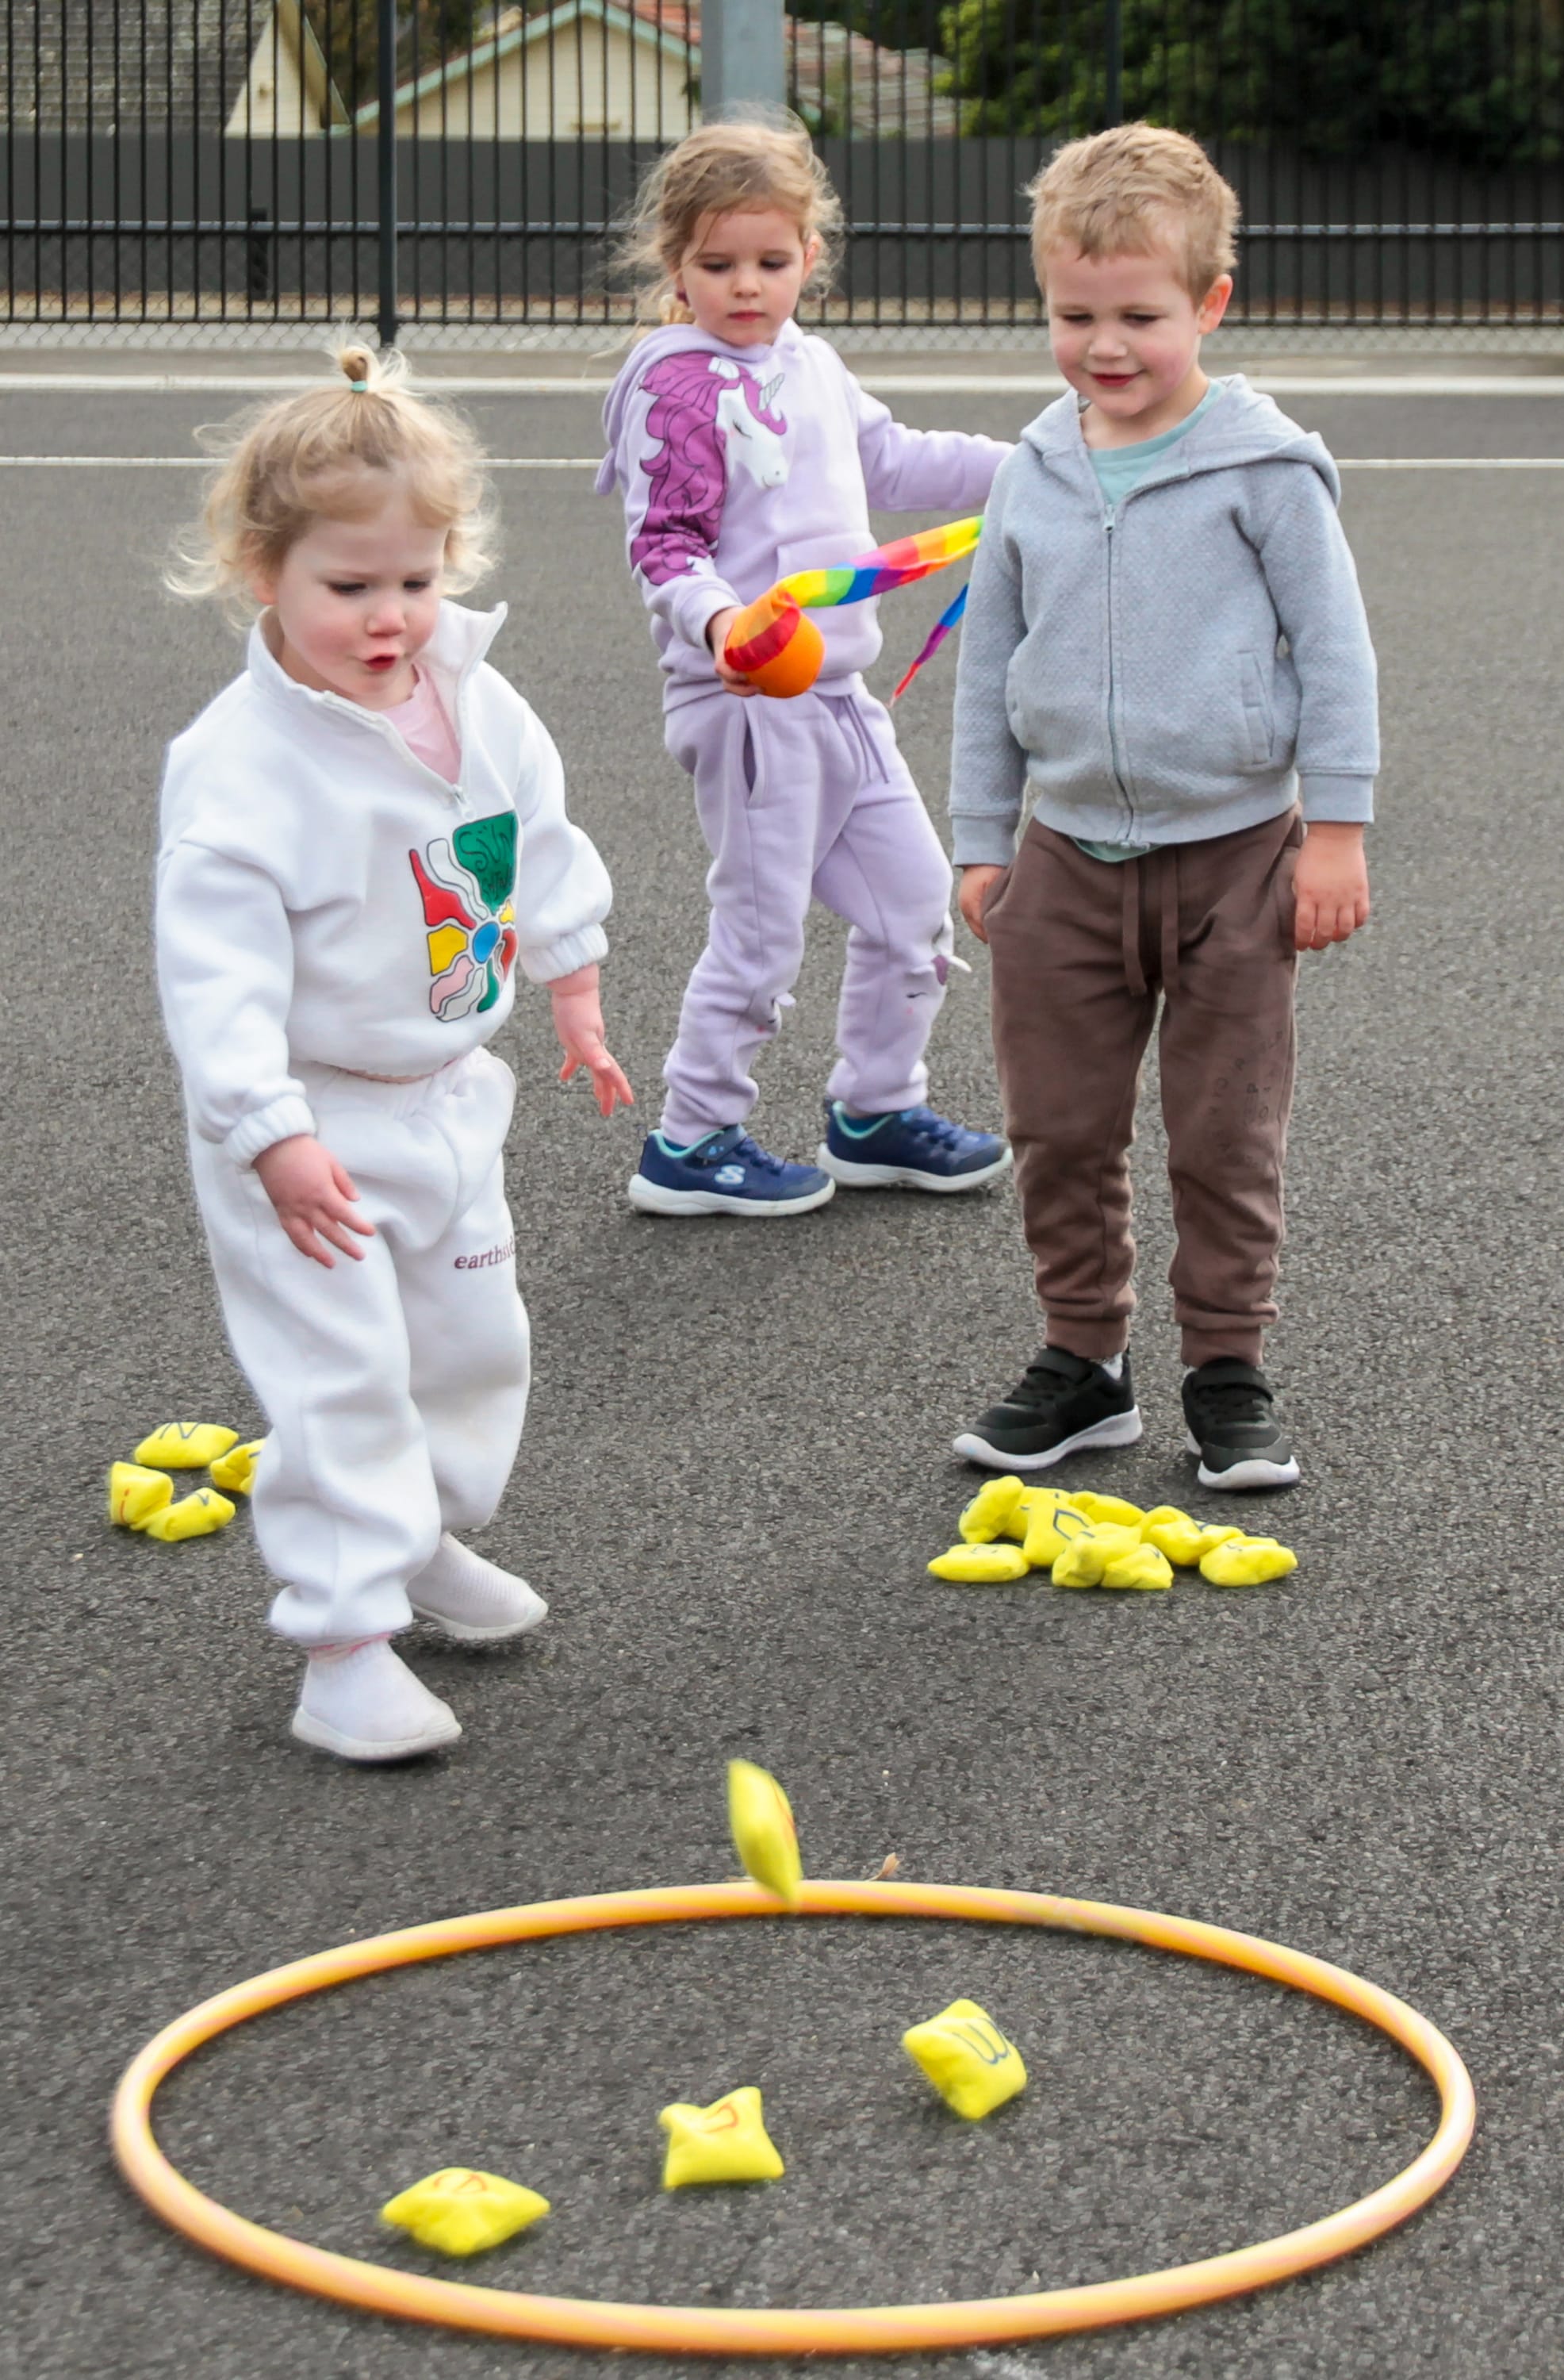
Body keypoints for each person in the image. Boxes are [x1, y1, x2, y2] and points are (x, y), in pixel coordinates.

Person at [159, 347, 630, 1761]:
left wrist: (575, 984)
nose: (388, 618)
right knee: (341, 1372)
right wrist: (268, 1131)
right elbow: (216, 969)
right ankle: (342, 1641)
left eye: (414, 584)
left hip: (444, 1099)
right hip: (305, 1124)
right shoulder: (241, 762)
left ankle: (415, 1534)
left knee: (472, 1341)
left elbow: (536, 843)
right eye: (347, 589)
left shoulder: (478, 700)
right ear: (262, 572)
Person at [949, 125, 1378, 1490]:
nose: (1105, 345)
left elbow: (1336, 651)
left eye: (1140, 315)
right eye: (1074, 316)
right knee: (1060, 1127)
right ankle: (1085, 1363)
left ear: (1210, 305)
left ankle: (1227, 1370)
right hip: (1063, 860)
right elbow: (986, 667)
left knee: (1222, 1133)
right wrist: (978, 837)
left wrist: (1339, 830)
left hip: (1238, 858)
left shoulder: (1264, 468)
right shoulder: (1032, 473)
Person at [597, 113, 1014, 1218]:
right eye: (718, 265)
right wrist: (720, 625)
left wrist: (1032, 467)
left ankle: (876, 1111)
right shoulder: (676, 384)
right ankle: (692, 1138)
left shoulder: (814, 364)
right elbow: (666, 546)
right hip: (744, 704)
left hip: (840, 695)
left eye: (771, 263)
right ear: (675, 265)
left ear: (809, 260)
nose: (746, 287)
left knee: (915, 903)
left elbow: (897, 456)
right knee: (762, 926)